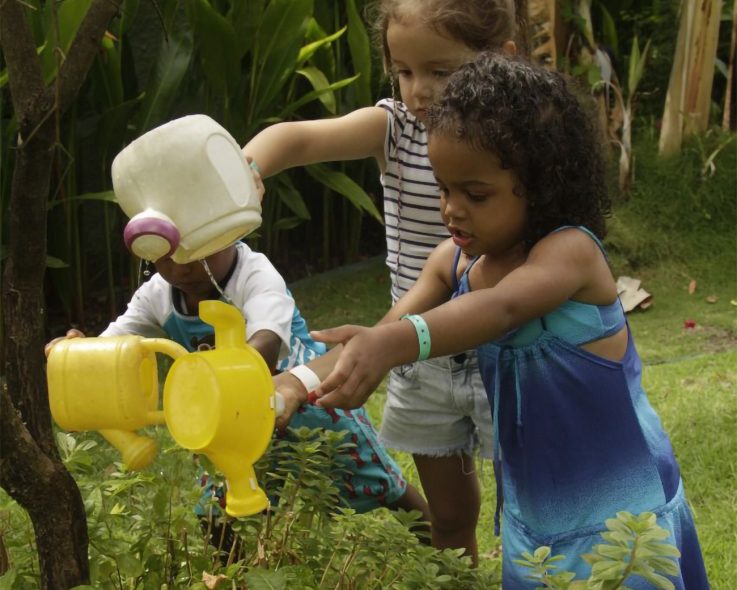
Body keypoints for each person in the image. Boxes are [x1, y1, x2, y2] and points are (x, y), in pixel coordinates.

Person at [298, 53, 711, 587]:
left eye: (475, 194)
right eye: (444, 188)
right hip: (537, 515)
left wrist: (395, 344)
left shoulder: (570, 254)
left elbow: (503, 308)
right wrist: (299, 382)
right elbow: (384, 330)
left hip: (620, 511)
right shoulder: (454, 261)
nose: (451, 210)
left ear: (541, 185)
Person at [243, 0, 527, 563]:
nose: (418, 90)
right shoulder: (395, 128)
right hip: (411, 348)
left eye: (441, 71)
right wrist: (246, 169)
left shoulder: (524, 144)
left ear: (501, 60)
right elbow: (295, 138)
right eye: (404, 71)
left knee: (534, 501)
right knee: (448, 516)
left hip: (505, 345)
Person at [44, 241, 430, 549]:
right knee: (216, 515)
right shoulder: (158, 293)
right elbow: (114, 343)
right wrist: (79, 350)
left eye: (197, 252)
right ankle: (250, 574)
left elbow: (263, 345)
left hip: (310, 406)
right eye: (166, 255)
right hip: (227, 424)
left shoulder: (255, 274)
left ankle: (448, 559)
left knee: (386, 488)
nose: (181, 268)